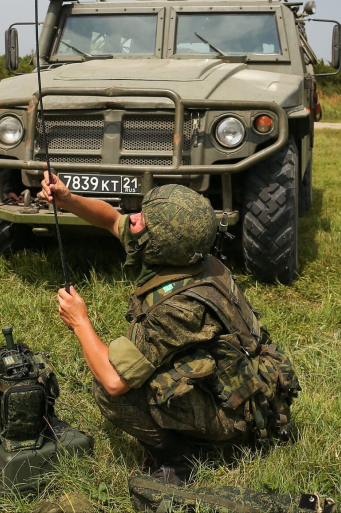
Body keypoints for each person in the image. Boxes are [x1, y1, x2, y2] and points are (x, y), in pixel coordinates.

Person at [39, 172, 300, 487]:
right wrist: (68, 199)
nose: (133, 218)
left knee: (112, 393)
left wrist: (80, 321)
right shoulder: (190, 257)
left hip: (234, 413)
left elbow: (113, 381)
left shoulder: (178, 309)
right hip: (240, 382)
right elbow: (111, 219)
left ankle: (177, 460)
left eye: (142, 220)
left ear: (160, 243)